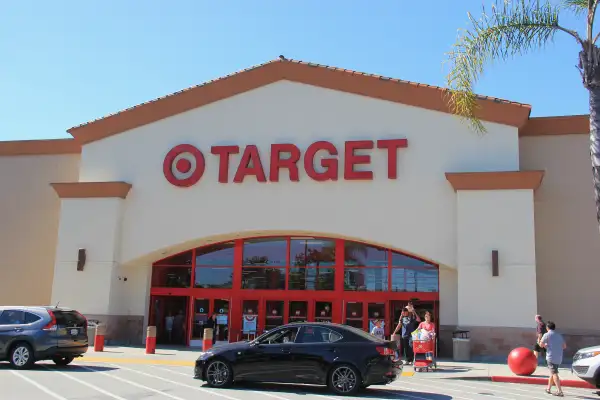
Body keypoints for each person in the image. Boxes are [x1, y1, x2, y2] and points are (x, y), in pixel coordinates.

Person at [540, 321, 566, 397]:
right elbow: (564, 346)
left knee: (554, 373)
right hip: (559, 357)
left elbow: (541, 344)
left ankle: (559, 391)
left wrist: (546, 345)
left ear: (547, 328)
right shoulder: (559, 335)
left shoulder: (546, 334)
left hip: (551, 357)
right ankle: (548, 389)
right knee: (552, 373)